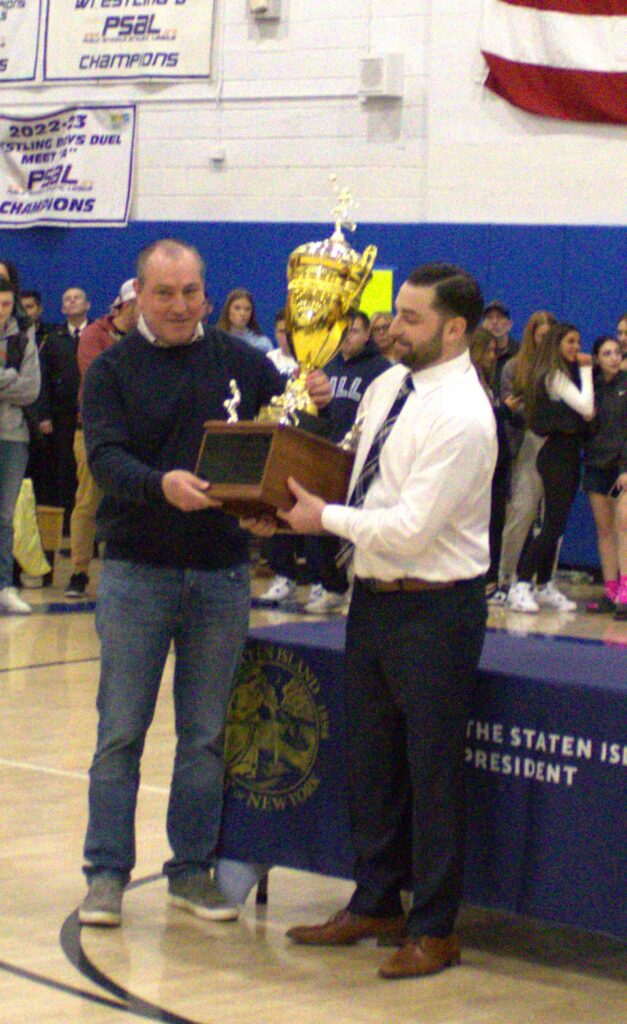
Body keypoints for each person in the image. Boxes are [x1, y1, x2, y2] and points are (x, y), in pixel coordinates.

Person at [243, 263, 496, 979]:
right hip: (375, 599)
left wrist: (319, 518)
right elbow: (354, 472)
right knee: (373, 761)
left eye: (411, 319)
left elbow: (411, 528)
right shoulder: (389, 383)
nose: (392, 328)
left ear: (454, 329)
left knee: (432, 771)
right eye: (395, 315)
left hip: (436, 606)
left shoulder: (465, 416)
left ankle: (435, 927)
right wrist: (281, 499)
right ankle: (376, 899)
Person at [78, 238, 329, 928]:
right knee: (121, 732)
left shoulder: (244, 362)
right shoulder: (111, 371)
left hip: (221, 575)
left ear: (206, 294)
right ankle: (104, 874)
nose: (181, 305)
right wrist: (160, 485)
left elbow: (287, 443)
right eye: (165, 293)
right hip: (135, 574)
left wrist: (313, 402)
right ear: (138, 295)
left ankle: (190, 870)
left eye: (191, 292)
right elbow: (104, 460)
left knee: (206, 735)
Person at [508, 322, 594, 613]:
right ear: (557, 343)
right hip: (555, 452)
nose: (576, 347)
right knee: (552, 524)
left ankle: (544, 584)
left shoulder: (560, 373)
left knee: (556, 526)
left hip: (568, 452)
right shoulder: (554, 375)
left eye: (578, 341)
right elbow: (586, 408)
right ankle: (520, 585)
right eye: (570, 341)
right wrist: (587, 371)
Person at [65, 280, 138, 598]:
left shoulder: (149, 338)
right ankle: (79, 570)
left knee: (131, 500)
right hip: (94, 430)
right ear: (125, 306)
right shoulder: (95, 335)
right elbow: (99, 380)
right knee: (89, 501)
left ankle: (122, 568)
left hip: (134, 431)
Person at [490, 310, 556, 604]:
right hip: (527, 442)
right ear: (531, 335)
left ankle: (543, 581)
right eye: (541, 336)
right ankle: (506, 578)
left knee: (552, 519)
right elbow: (511, 409)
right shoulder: (515, 367)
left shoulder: (560, 368)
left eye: (549, 338)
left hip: (556, 445)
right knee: (521, 513)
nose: (544, 342)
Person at [0, 278, 41, 614]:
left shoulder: (23, 339)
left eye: (5, 305)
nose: (1, 311)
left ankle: (3, 586)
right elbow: (17, 383)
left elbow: (30, 390)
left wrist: (10, 380)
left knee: (5, 515)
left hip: (13, 436)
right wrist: (10, 378)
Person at [38, 286, 91, 534]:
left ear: (88, 305)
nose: (72, 302)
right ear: (61, 309)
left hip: (92, 415)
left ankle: (91, 529)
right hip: (61, 415)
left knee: (89, 472)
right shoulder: (54, 340)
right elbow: (44, 380)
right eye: (67, 299)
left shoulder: (97, 335)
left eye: (76, 297)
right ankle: (68, 527)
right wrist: (44, 415)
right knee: (65, 469)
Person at [582, 336, 627, 619]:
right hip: (597, 464)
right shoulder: (592, 387)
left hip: (622, 466)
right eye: (607, 353)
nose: (613, 357)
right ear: (597, 358)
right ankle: (610, 591)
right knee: (604, 530)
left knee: (624, 527)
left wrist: (625, 467)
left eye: (617, 352)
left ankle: (625, 591)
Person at [469, 327, 511, 596]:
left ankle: (490, 576)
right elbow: (480, 420)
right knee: (485, 522)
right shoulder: (469, 382)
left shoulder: (487, 380)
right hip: (482, 466)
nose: (494, 356)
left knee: (496, 521)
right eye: (490, 351)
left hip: (497, 462)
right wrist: (505, 409)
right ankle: (484, 580)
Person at [216, 287, 272, 354]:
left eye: (247, 309)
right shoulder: (216, 340)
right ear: (228, 310)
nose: (242, 313)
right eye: (237, 308)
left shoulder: (262, 344)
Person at [482, 300, 518, 392]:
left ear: (510, 325)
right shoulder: (475, 354)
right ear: (483, 325)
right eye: (489, 317)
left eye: (500, 317)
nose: (494, 322)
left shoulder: (519, 353)